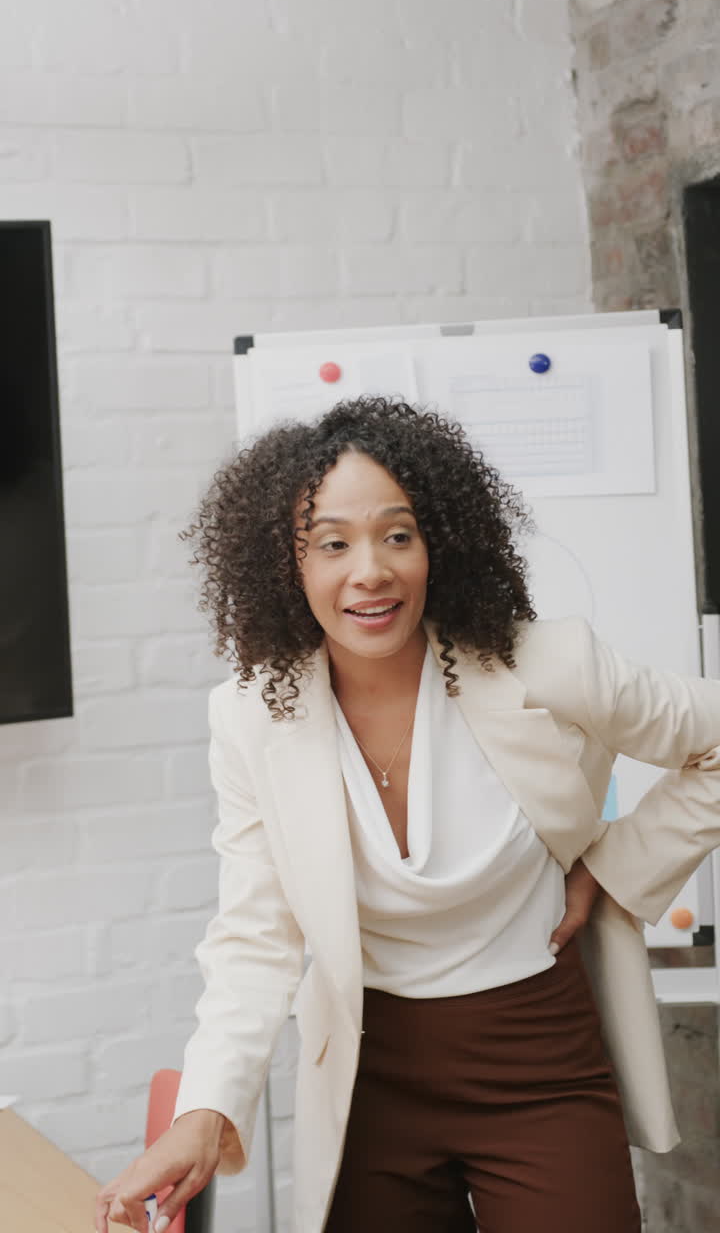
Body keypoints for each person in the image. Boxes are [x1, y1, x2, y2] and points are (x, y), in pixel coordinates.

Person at [96, 396, 720, 1233]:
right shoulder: (251, 716)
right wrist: (204, 1112)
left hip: (540, 1063)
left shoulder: (546, 664)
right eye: (331, 543)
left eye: (398, 534)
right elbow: (256, 935)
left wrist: (616, 871)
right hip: (368, 1085)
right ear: (287, 565)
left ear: (440, 546)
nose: (371, 571)